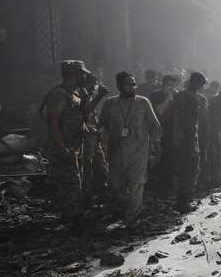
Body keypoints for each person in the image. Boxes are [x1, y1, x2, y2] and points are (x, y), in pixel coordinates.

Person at [99, 71, 161, 225]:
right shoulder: (110, 103)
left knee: (137, 184)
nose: (133, 87)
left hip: (139, 153)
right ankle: (130, 206)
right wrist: (100, 139)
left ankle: (132, 218)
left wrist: (156, 146)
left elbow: (155, 126)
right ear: (119, 85)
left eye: (134, 84)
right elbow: (102, 125)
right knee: (116, 186)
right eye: (129, 84)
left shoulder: (143, 102)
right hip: (117, 152)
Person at [42, 60, 91, 225]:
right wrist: (61, 148)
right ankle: (71, 219)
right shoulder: (59, 94)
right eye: (82, 74)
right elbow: (53, 123)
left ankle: (73, 217)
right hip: (64, 147)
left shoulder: (75, 94)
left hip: (74, 146)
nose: (85, 76)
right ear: (75, 74)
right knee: (69, 183)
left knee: (75, 182)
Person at [171, 71, 208, 212]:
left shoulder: (181, 96)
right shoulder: (192, 98)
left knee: (185, 171)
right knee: (190, 170)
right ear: (196, 83)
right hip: (188, 139)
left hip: (186, 139)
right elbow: (187, 122)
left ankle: (182, 201)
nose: (202, 87)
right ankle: (183, 202)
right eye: (201, 84)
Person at [81, 72, 110, 199]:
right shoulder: (81, 97)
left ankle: (101, 190)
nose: (96, 86)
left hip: (94, 138)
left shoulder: (91, 97)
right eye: (94, 84)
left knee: (101, 165)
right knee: (87, 168)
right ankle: (86, 194)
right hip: (85, 139)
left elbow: (93, 117)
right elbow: (84, 115)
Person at [149, 75, 179, 191]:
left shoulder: (177, 95)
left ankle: (169, 183)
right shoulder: (155, 95)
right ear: (163, 84)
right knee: (158, 157)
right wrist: (168, 98)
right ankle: (158, 184)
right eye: (169, 85)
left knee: (171, 157)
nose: (171, 88)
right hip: (158, 130)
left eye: (173, 86)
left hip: (172, 131)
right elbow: (159, 111)